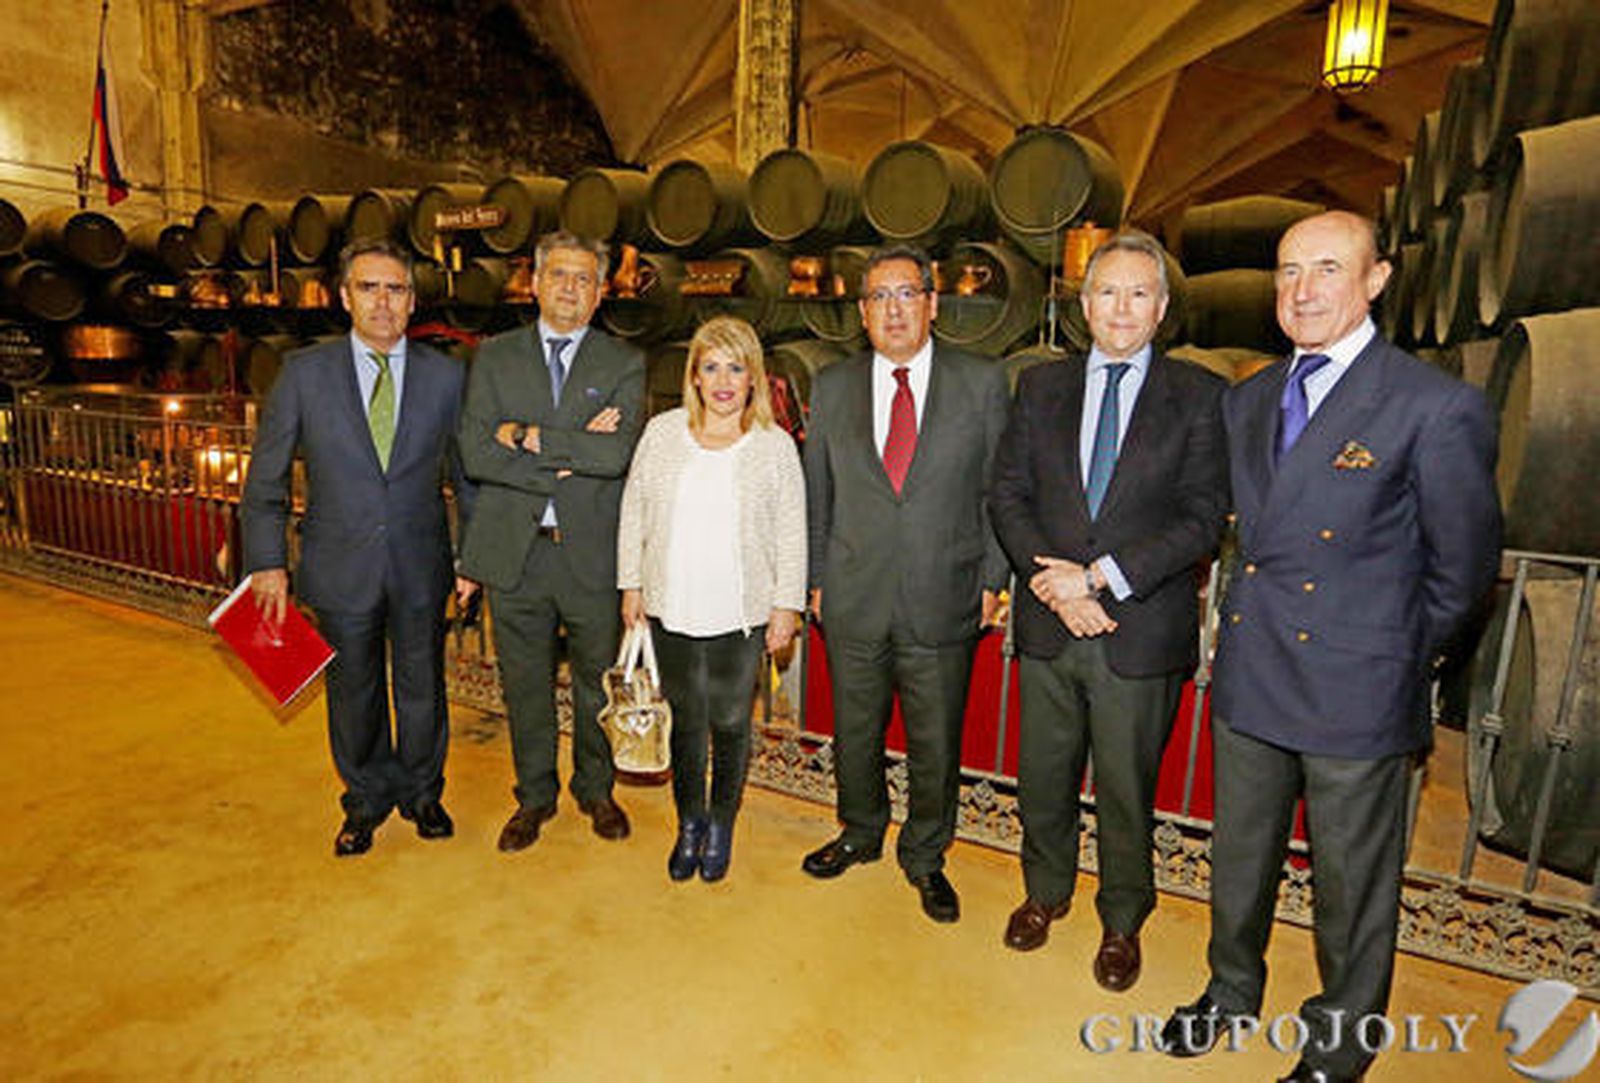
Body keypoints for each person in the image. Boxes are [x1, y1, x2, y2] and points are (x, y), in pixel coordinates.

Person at [1161, 211, 1500, 1083]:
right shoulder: (1249, 397)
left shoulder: (1433, 404)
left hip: (1357, 687)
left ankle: (1340, 1044)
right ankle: (1230, 993)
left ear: (1376, 280)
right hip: (1253, 672)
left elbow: (1463, 571)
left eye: (1325, 269)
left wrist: (1396, 658)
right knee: (1239, 861)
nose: (1301, 291)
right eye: (1286, 271)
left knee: (1351, 889)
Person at [988, 230, 1228, 987]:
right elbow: (1008, 494)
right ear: (1083, 302)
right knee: (1044, 774)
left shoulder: (1199, 394)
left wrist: (1100, 578)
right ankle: (1044, 892)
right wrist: (1055, 584)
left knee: (1127, 787)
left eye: (1138, 293)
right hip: (1050, 624)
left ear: (1160, 308)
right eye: (1107, 291)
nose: (1121, 307)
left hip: (1139, 626)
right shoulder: (1041, 387)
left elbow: (1202, 516)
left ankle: (1123, 918)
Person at [800, 244, 1010, 923]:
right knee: (854, 729)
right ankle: (860, 830)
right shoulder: (831, 386)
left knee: (934, 738)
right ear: (862, 312)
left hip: (944, 592)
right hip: (852, 592)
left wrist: (993, 577)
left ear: (932, 303)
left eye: (906, 294)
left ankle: (926, 853)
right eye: (879, 298)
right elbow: (817, 494)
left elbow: (997, 492)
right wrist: (814, 578)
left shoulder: (981, 383)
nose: (894, 309)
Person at [241, 237, 468, 857]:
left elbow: (466, 474)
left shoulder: (446, 378)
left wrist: (470, 557)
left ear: (412, 300)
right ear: (344, 297)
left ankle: (423, 791)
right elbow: (264, 478)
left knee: (423, 683)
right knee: (354, 688)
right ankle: (365, 799)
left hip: (422, 562)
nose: (383, 302)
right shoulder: (303, 375)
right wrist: (266, 562)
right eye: (368, 288)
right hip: (339, 564)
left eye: (395, 289)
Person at [458, 230, 645, 852]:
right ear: (534, 283)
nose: (571, 288)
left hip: (589, 552)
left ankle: (596, 788)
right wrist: (570, 447)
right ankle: (534, 795)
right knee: (524, 680)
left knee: (597, 678)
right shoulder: (495, 356)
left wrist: (526, 434)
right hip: (517, 551)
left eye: (585, 278)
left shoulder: (622, 362)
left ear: (599, 294)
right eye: (559, 275)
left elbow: (615, 453)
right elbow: (476, 451)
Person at [616, 316, 805, 882]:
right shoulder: (662, 433)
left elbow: (792, 531)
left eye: (737, 366)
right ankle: (689, 822)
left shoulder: (773, 448)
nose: (724, 380)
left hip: (741, 612)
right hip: (673, 603)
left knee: (729, 721)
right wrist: (631, 583)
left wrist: (786, 605)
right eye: (712, 367)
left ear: (754, 378)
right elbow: (635, 509)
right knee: (687, 720)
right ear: (694, 376)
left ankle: (722, 821)